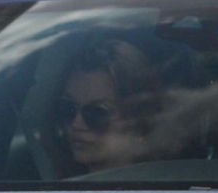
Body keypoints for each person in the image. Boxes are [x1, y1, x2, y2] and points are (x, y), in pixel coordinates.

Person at [50, 38, 164, 175]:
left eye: (96, 113)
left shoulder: (171, 191)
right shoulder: (47, 189)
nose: (76, 124)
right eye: (68, 108)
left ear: (139, 120)